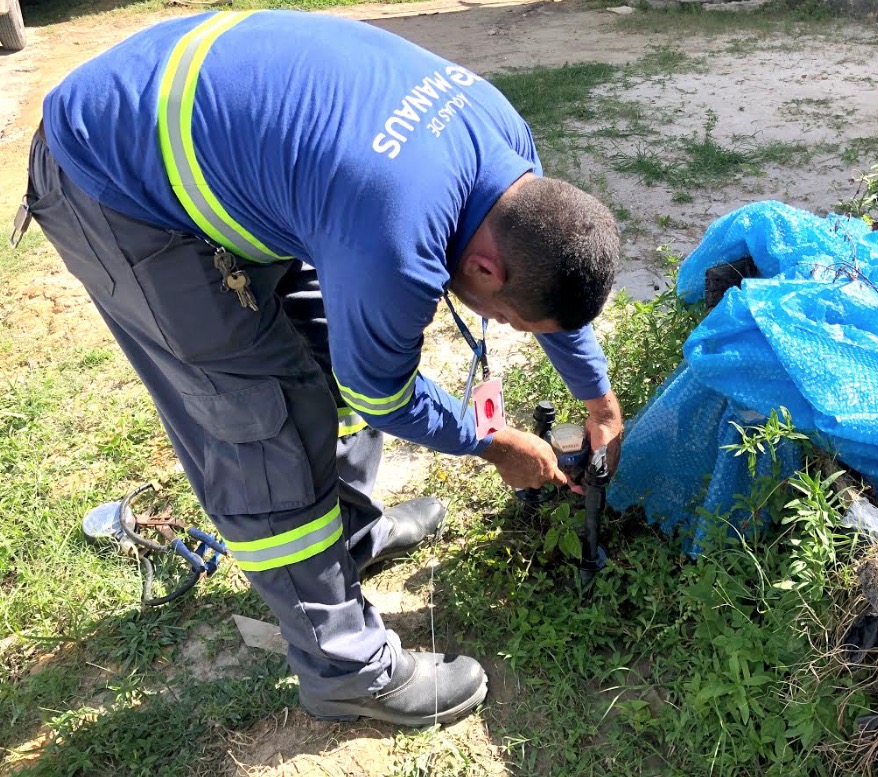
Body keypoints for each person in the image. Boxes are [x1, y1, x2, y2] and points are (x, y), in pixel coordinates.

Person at [15, 9, 623, 727]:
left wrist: (599, 398)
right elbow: (383, 391)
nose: (510, 328)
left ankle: (352, 536)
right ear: (485, 266)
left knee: (333, 342)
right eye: (512, 319)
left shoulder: (505, 150)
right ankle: (345, 669)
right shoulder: (395, 236)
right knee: (263, 420)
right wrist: (492, 444)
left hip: (215, 143)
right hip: (115, 183)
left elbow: (546, 283)